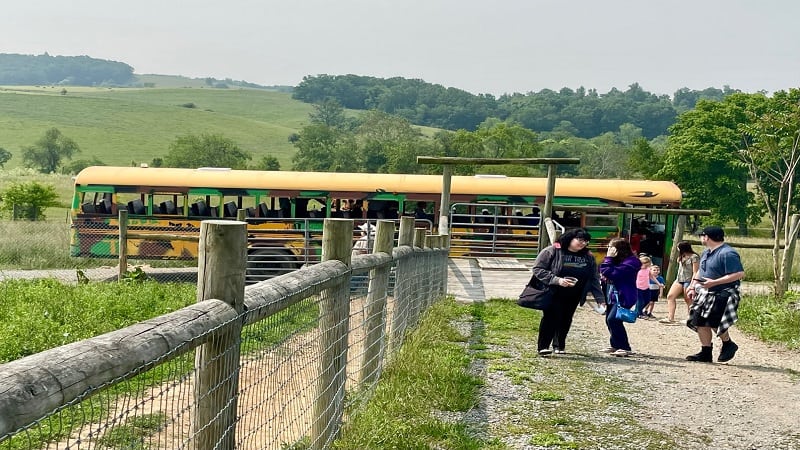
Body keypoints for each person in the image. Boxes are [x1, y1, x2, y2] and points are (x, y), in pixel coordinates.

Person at [529, 228, 605, 356]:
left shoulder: (588, 257)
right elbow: (538, 269)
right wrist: (556, 280)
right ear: (570, 238)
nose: (582, 243)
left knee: (566, 318)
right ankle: (543, 346)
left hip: (575, 293)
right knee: (551, 317)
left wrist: (600, 299)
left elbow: (594, 278)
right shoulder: (552, 251)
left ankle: (559, 345)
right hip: (553, 291)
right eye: (579, 240)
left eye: (585, 241)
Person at [685, 226, 745, 363]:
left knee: (714, 322)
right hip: (706, 292)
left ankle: (728, 344)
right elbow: (701, 270)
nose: (700, 238)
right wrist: (693, 286)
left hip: (723, 293)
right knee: (699, 321)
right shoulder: (706, 252)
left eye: (701, 235)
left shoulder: (728, 253)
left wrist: (715, 282)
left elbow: (739, 274)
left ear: (706, 237)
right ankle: (705, 352)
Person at [599, 238, 642, 357]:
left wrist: (609, 259)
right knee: (609, 319)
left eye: (611, 248)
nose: (609, 251)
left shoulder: (632, 262)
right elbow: (602, 270)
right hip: (611, 294)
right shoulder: (616, 261)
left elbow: (611, 273)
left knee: (613, 319)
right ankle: (615, 345)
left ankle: (625, 347)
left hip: (624, 295)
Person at [659, 241, 700, 324]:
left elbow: (695, 271)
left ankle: (690, 318)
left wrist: (693, 284)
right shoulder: (681, 256)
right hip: (679, 279)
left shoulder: (694, 257)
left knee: (688, 299)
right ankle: (670, 318)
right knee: (670, 296)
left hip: (689, 280)